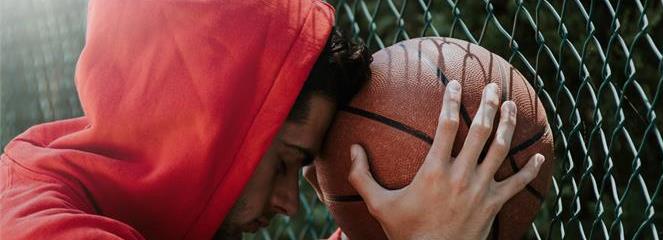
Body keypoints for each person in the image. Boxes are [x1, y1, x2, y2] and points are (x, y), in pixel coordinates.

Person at [0, 0, 544, 239]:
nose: (289, 202)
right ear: (206, 128)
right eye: (286, 161)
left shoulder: (142, 207)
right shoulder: (31, 225)